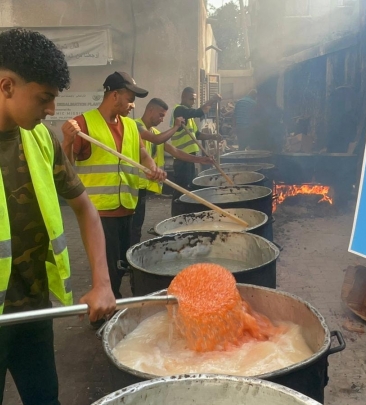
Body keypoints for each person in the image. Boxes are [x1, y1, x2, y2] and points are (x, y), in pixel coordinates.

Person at [0, 28, 116, 405]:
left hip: (32, 311)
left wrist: (102, 283)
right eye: (44, 98)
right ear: (7, 86)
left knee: (45, 399)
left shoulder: (41, 138)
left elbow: (85, 208)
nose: (52, 110)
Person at [61, 71, 166, 301]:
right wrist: (68, 142)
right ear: (114, 95)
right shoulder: (82, 124)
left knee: (120, 264)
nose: (132, 105)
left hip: (128, 206)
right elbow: (67, 168)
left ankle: (110, 306)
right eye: (130, 99)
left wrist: (151, 167)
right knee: (107, 269)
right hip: (99, 212)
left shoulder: (131, 126)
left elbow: (141, 153)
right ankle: (103, 314)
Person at [131, 98, 214, 246]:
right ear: (150, 110)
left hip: (141, 187)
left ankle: (130, 255)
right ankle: (127, 258)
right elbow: (156, 140)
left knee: (137, 224)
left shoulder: (155, 131)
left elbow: (175, 151)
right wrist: (176, 126)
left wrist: (200, 160)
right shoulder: (135, 126)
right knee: (132, 226)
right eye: (160, 115)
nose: (162, 119)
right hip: (130, 186)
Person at [170, 87, 221, 215]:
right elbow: (199, 112)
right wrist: (212, 100)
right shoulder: (179, 110)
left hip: (190, 158)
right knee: (181, 190)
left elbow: (197, 134)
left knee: (188, 189)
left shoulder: (188, 116)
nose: (193, 101)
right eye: (191, 99)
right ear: (183, 97)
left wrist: (213, 136)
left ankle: (185, 215)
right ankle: (176, 217)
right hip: (181, 158)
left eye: (194, 99)